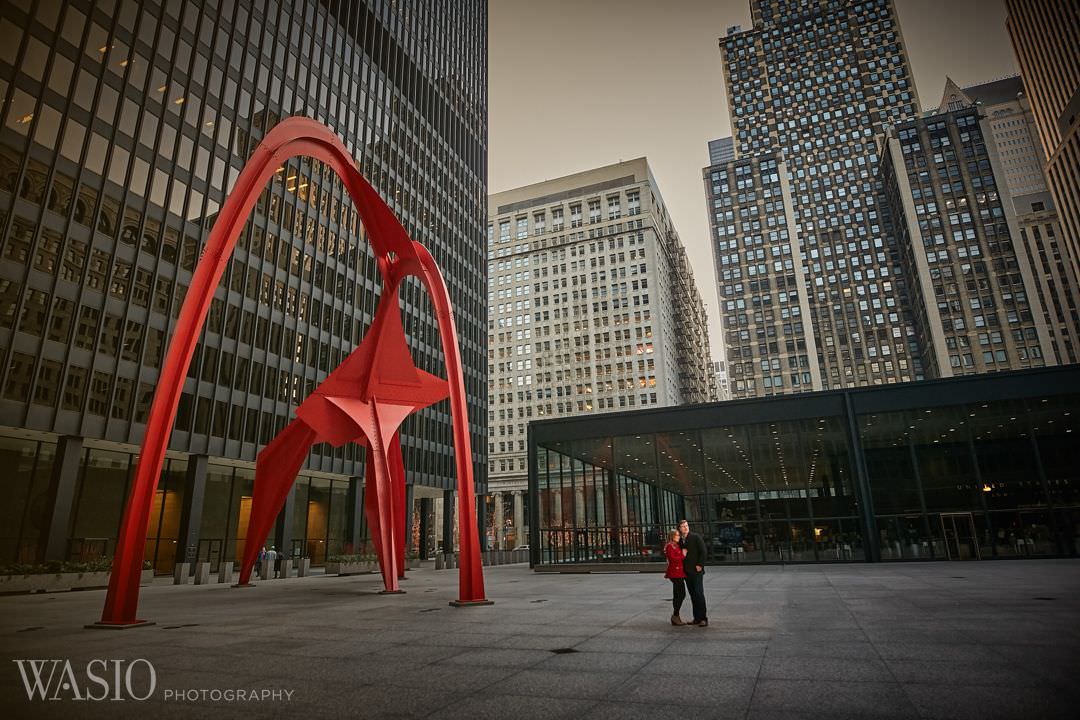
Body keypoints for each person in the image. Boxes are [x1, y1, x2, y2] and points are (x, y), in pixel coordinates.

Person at [679, 519, 708, 627]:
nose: (686, 527)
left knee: (699, 593)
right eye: (683, 526)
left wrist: (700, 564)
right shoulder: (680, 541)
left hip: (696, 571)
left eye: (686, 525)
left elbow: (703, 551)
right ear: (680, 529)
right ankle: (696, 618)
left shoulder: (695, 537)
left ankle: (703, 618)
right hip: (686, 572)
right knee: (693, 595)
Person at [663, 529, 688, 626]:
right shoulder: (669, 546)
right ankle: (675, 615)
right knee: (681, 594)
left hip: (679, 572)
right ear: (672, 536)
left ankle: (676, 616)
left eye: (679, 535)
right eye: (677, 535)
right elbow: (672, 559)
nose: (678, 536)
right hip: (674, 573)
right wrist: (683, 555)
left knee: (678, 594)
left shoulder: (677, 545)